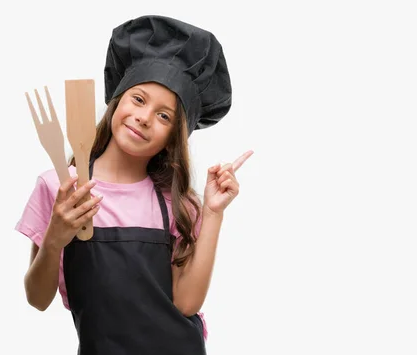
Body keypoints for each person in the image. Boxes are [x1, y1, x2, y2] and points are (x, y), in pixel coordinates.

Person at [15, 15, 252, 355]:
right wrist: (54, 239)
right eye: (139, 99)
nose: (144, 117)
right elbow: (37, 299)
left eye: (164, 115)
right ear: (118, 99)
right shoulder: (60, 186)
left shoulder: (176, 203)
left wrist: (213, 212)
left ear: (175, 136)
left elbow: (185, 304)